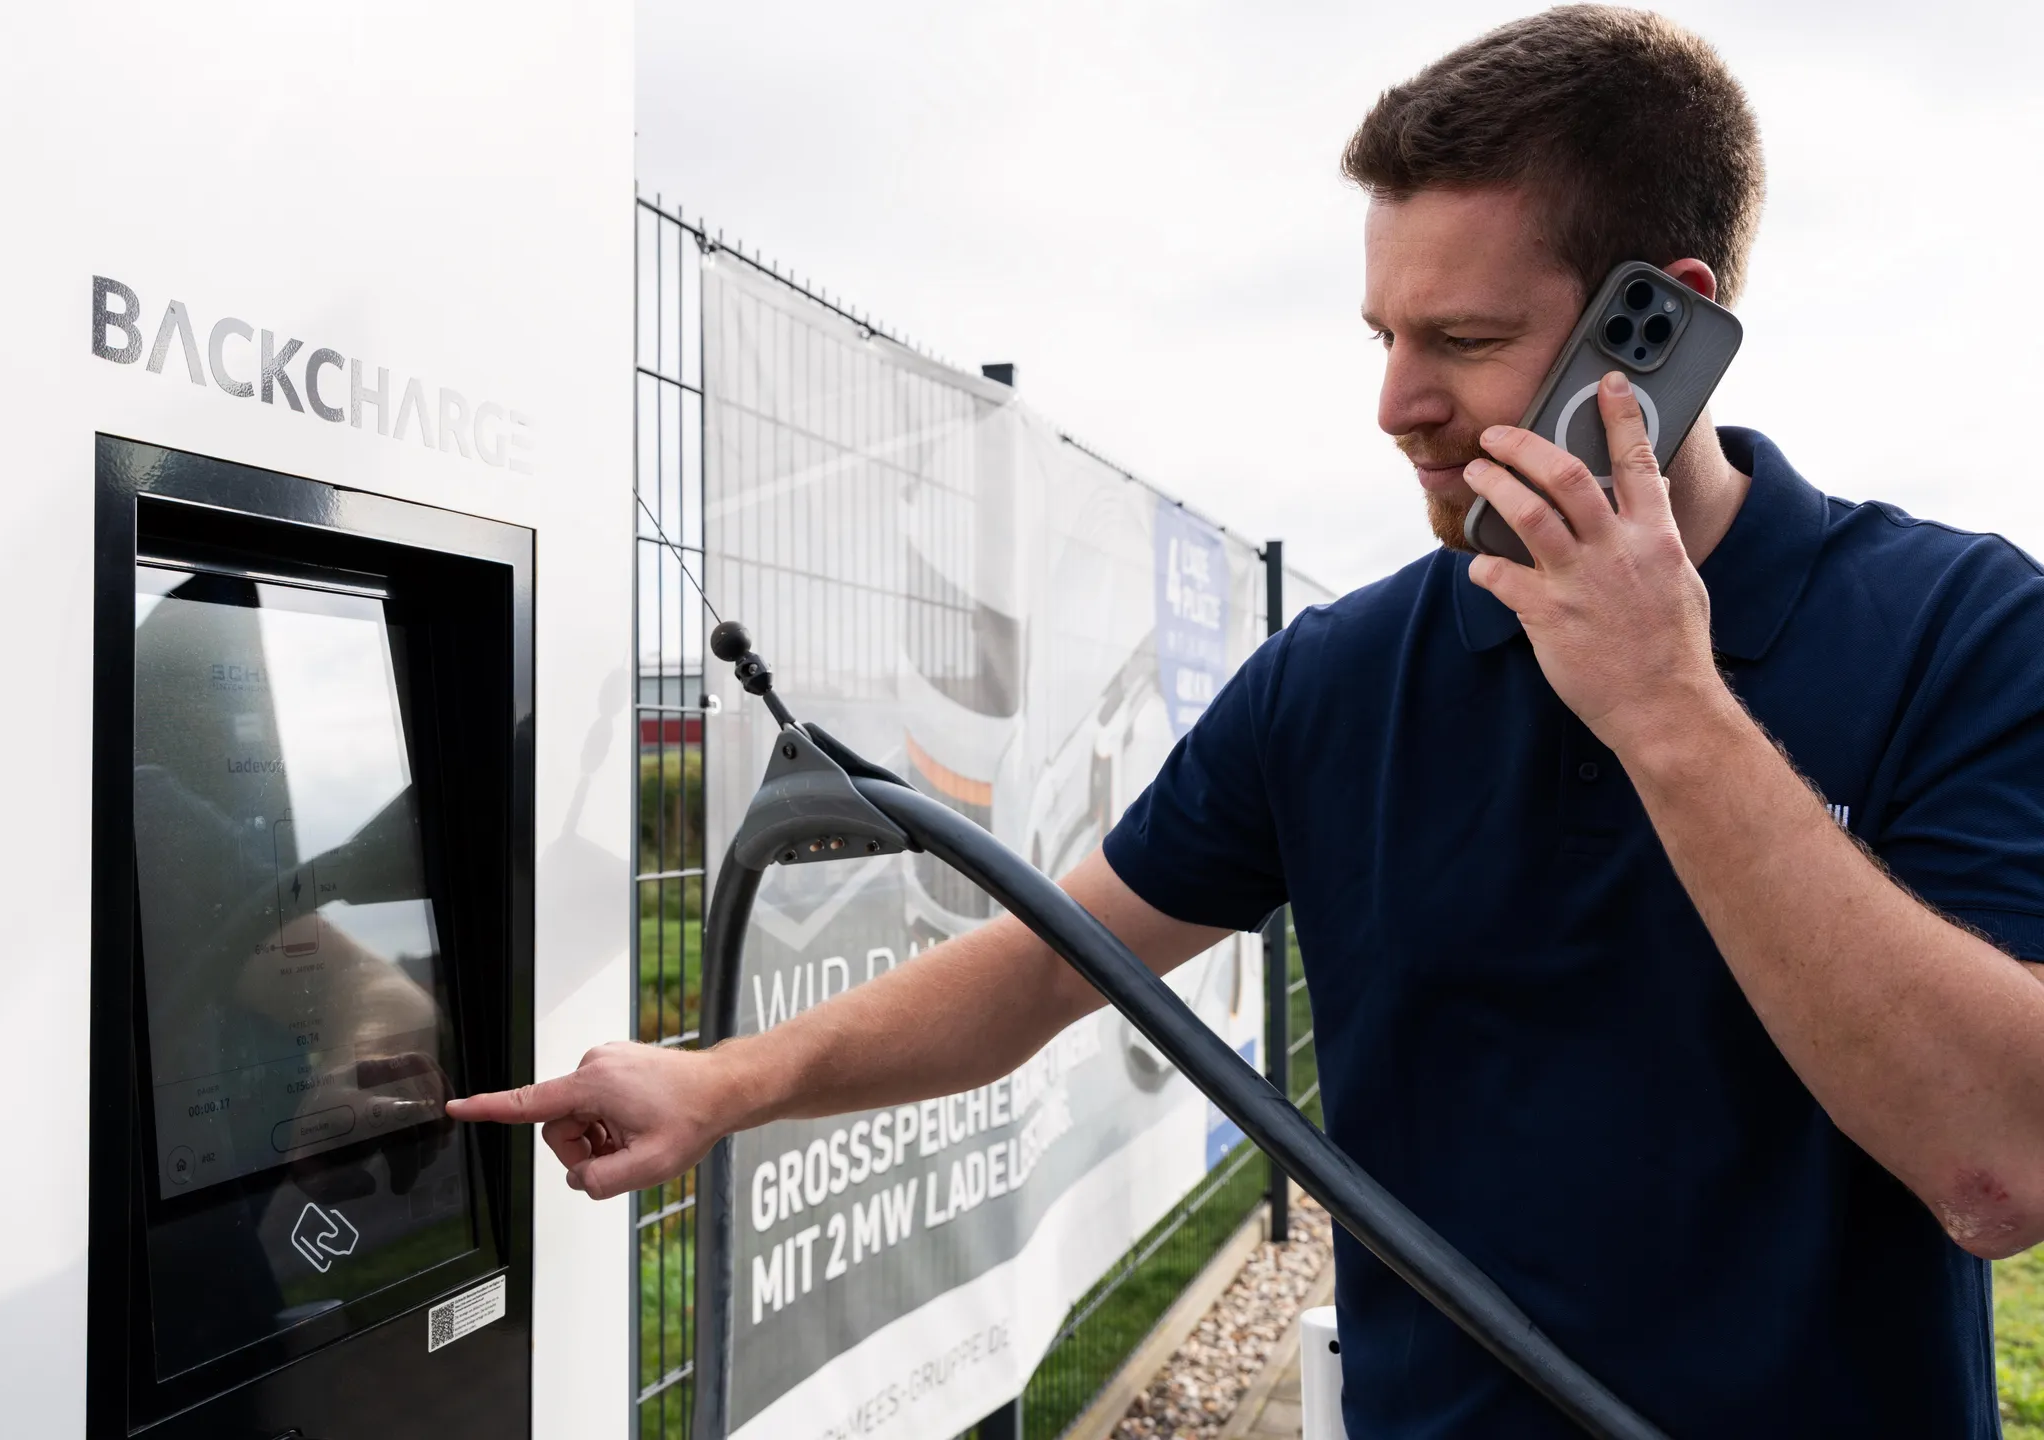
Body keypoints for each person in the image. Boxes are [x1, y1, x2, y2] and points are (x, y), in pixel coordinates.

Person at [451, 7, 2044, 1433]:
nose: (1394, 402)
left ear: (1663, 326)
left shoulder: (1961, 632)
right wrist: (723, 1085)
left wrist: (1670, 710)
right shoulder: (1341, 680)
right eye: (1384, 336)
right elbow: (1042, 969)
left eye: (1465, 342)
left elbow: (1996, 1168)